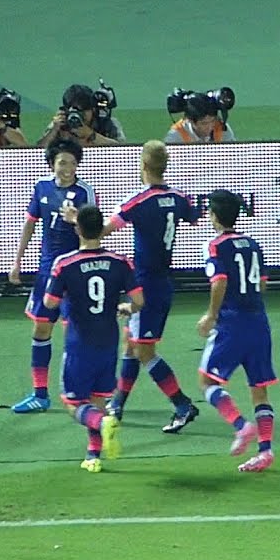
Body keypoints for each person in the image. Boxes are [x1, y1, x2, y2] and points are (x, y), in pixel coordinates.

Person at [88, 140, 201, 433]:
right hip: (162, 281)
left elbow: (103, 231)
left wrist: (79, 221)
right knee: (132, 343)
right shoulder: (178, 197)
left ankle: (182, 404)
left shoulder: (139, 200)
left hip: (145, 285)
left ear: (144, 165)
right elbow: (194, 216)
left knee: (144, 351)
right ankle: (117, 403)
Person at [39, 204, 142, 473]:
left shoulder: (65, 264)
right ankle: (93, 456)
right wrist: (126, 307)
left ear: (78, 229)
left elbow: (50, 303)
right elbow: (139, 301)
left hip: (79, 344)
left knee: (73, 404)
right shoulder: (120, 262)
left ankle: (101, 423)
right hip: (108, 342)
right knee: (97, 400)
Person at [8, 139, 96, 413]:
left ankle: (80, 392)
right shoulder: (41, 187)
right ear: (52, 165)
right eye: (62, 163)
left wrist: (76, 220)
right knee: (41, 328)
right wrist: (17, 261)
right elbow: (30, 224)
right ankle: (40, 394)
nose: (68, 169)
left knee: (74, 333)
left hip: (75, 273)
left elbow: (94, 232)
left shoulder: (85, 192)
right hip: (47, 272)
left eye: (72, 163)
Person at [195, 189, 278, 472]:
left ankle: (241, 426)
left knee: (207, 382)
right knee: (259, 390)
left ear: (214, 216)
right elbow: (262, 284)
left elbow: (219, 281)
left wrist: (211, 315)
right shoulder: (253, 245)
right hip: (259, 322)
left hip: (232, 324)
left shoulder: (215, 246)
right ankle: (265, 451)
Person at [36, 83, 126, 148]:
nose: (79, 115)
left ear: (93, 109)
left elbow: (122, 150)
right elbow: (37, 152)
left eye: (83, 110)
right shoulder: (61, 122)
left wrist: (91, 135)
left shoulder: (107, 123)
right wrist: (54, 130)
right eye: (75, 111)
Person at [164, 97, 235, 144]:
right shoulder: (175, 135)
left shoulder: (222, 128)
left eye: (212, 121)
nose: (210, 126)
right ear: (191, 121)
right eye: (204, 123)